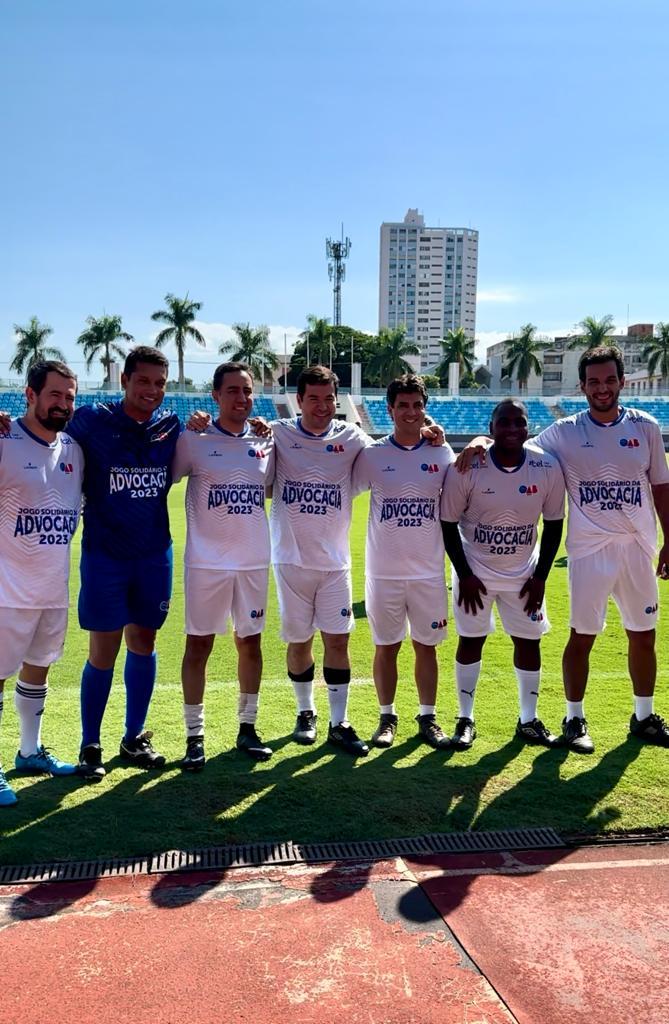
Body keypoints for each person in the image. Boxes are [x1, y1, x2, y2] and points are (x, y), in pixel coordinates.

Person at [459, 347, 669, 753]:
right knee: (582, 636)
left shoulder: (645, 427)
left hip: (637, 546)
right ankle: (574, 718)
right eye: (593, 382)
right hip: (590, 550)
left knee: (644, 636)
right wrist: (483, 438)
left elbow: (661, 487)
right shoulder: (566, 432)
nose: (602, 388)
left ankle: (643, 717)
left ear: (622, 382)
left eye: (609, 380)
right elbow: (515, 441)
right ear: (583, 385)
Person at [66, 346, 182, 778]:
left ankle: (134, 738)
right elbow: (48, 437)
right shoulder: (92, 421)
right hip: (105, 555)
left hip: (153, 554)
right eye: (143, 381)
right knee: (103, 650)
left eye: (159, 383)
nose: (152, 390)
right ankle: (90, 743)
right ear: (125, 381)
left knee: (144, 643)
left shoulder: (170, 427)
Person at [440, 399, 565, 750]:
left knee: (529, 641)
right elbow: (448, 524)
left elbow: (554, 525)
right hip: (475, 573)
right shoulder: (467, 467)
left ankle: (528, 719)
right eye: (504, 422)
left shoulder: (546, 466)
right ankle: (465, 718)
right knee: (471, 640)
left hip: (524, 574)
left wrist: (540, 577)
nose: (512, 429)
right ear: (491, 427)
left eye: (519, 423)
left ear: (528, 427)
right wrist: (464, 573)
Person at [171, 362, 275, 771]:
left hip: (252, 562)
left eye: (247, 391)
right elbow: (164, 479)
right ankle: (194, 737)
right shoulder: (193, 441)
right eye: (232, 391)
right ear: (215, 396)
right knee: (199, 645)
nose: (241, 399)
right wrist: (188, 426)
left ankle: (247, 728)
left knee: (250, 643)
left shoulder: (267, 442)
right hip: (206, 564)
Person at [352, 374, 454, 749]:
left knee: (426, 646)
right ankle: (387, 717)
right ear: (389, 409)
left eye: (416, 405)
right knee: (386, 646)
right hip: (384, 573)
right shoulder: (373, 455)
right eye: (403, 406)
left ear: (424, 409)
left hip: (428, 572)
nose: (410, 413)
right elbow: (342, 488)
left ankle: (428, 717)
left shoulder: (441, 453)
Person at [0, 361, 84, 805]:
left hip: (53, 586)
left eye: (70, 396)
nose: (63, 404)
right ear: (29, 395)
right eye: (55, 394)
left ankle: (29, 751)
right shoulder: (4, 439)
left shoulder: (73, 448)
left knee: (39, 667)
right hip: (7, 589)